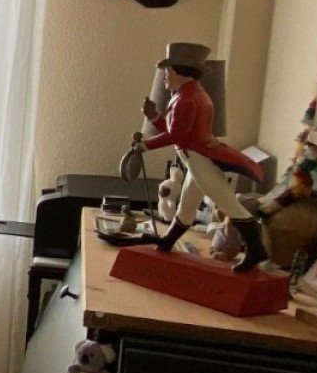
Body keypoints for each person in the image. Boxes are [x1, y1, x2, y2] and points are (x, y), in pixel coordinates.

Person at [102, 42, 269, 273]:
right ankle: (168, 241)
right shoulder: (187, 94)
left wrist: (145, 145)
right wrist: (154, 117)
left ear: (180, 71)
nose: (165, 76)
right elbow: (177, 130)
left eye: (168, 71)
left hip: (201, 160)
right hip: (195, 160)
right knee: (187, 205)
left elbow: (177, 135)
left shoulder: (187, 99)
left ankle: (256, 248)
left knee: (228, 203)